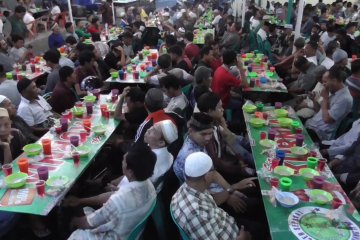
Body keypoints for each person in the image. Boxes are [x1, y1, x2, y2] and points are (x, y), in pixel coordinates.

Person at [65, 143, 157, 240]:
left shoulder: (118, 201)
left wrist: (74, 221)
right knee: (85, 208)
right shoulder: (150, 187)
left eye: (123, 161)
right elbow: (113, 196)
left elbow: (87, 224)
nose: (122, 162)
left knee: (75, 225)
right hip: (129, 231)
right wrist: (80, 201)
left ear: (130, 172)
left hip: (113, 236)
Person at [171, 151, 256, 240]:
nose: (214, 173)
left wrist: (233, 188)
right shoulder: (196, 214)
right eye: (211, 171)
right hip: (235, 235)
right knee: (261, 228)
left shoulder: (189, 187)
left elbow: (212, 202)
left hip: (226, 223)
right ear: (206, 175)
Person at [108, 120, 177, 193]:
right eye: (152, 127)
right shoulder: (170, 156)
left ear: (161, 143)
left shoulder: (146, 161)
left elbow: (135, 189)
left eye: (154, 131)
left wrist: (116, 190)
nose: (148, 130)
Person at [197, 92, 254, 170]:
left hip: (224, 143)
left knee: (242, 140)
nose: (223, 109)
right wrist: (238, 168)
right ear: (210, 111)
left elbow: (227, 135)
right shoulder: (207, 131)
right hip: (223, 161)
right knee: (244, 154)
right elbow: (217, 161)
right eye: (220, 107)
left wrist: (223, 123)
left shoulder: (214, 119)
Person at [306, 66, 353, 142]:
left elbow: (327, 119)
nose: (323, 84)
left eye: (325, 82)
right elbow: (320, 111)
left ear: (334, 81)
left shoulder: (345, 98)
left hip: (319, 133)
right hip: (312, 125)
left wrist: (325, 98)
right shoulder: (333, 91)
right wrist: (313, 100)